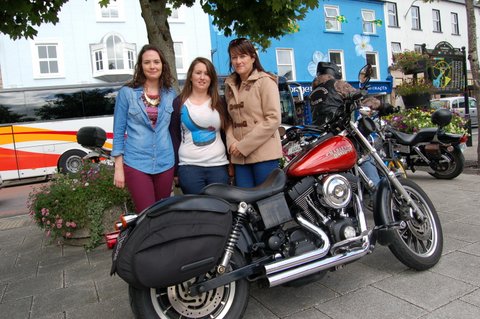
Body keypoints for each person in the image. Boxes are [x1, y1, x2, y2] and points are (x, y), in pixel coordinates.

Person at [111, 44, 178, 214]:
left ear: (163, 65)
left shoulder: (171, 94)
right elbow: (118, 132)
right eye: (147, 62)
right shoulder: (127, 93)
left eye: (156, 62)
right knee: (146, 215)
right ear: (141, 66)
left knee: (163, 213)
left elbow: (175, 131)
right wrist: (118, 168)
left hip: (165, 162)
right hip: (136, 163)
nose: (152, 66)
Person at [224, 37, 283, 187]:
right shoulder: (229, 85)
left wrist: (243, 146)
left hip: (264, 156)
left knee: (267, 204)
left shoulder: (265, 81)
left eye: (242, 56)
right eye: (234, 57)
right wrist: (231, 143)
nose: (238, 61)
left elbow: (273, 119)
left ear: (252, 57)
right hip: (239, 158)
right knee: (244, 206)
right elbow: (229, 120)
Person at [171, 57, 230, 194]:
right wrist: (175, 170)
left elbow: (226, 134)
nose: (202, 77)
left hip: (218, 167)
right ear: (191, 76)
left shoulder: (220, 103)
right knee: (196, 212)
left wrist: (231, 164)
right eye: (198, 72)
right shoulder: (178, 103)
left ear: (211, 78)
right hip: (189, 168)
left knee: (218, 210)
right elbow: (174, 137)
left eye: (207, 73)